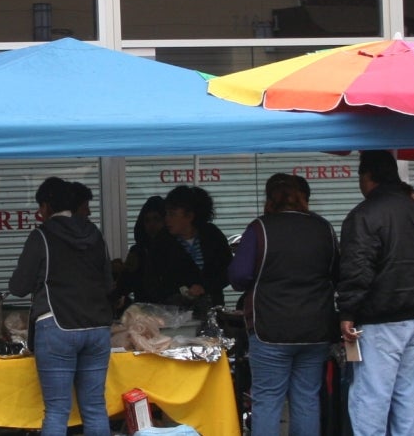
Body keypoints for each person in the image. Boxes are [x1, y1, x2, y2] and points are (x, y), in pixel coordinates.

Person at [337, 151, 414, 436]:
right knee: (404, 396)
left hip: (380, 318)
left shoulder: (365, 214)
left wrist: (347, 312)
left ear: (368, 176)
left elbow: (357, 269)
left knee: (371, 397)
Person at [229, 174, 339, 436]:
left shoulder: (259, 228)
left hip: (270, 329)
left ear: (270, 199)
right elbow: (337, 271)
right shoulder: (322, 227)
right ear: (302, 197)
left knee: (267, 401)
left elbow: (239, 276)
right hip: (316, 329)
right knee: (307, 399)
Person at [9, 177, 113, 436]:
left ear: (46, 206)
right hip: (98, 328)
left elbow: (18, 287)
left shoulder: (42, 236)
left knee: (57, 411)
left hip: (57, 326)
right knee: (95, 408)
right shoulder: (94, 233)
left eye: (40, 208)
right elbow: (109, 283)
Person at [142, 185, 232, 315]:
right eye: (166, 213)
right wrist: (177, 294)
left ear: (189, 216)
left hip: (213, 311)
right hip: (176, 316)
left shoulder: (212, 235)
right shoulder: (162, 242)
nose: (167, 219)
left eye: (172, 214)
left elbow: (227, 271)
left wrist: (205, 288)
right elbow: (151, 282)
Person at [115, 195, 166, 308]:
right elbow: (125, 284)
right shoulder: (138, 251)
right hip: (144, 313)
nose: (151, 225)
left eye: (156, 219)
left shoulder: (175, 248)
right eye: (147, 220)